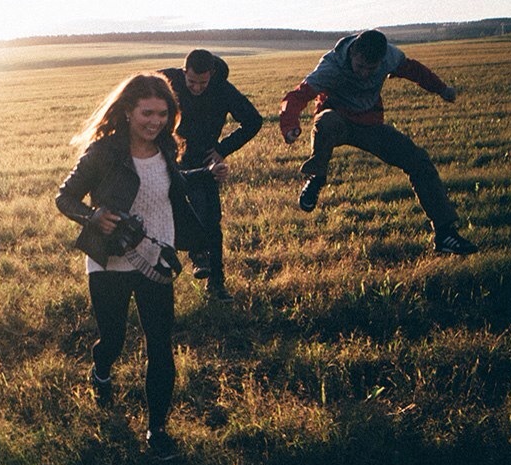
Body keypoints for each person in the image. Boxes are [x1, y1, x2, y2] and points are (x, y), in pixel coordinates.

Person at [55, 73, 206, 460]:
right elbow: (65, 197)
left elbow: (167, 182)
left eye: (163, 113)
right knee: (114, 339)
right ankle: (101, 370)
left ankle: (157, 430)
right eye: (147, 113)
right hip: (110, 261)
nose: (155, 121)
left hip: (157, 260)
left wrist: (207, 174)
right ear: (127, 111)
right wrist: (92, 216)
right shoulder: (104, 153)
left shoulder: (168, 148)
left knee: (161, 346)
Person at [280, 29, 478, 255]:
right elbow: (297, 96)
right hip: (338, 119)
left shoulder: (390, 57)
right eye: (360, 66)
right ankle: (316, 177)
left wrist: (441, 89)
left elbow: (415, 71)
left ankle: (445, 234)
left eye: (371, 69)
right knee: (326, 122)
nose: (365, 74)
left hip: (369, 123)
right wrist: (289, 127)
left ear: (381, 61)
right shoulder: (331, 66)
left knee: (419, 161)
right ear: (353, 52)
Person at [159, 49, 264, 301]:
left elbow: (253, 121)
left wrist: (221, 149)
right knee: (161, 219)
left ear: (212, 75)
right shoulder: (166, 79)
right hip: (168, 159)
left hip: (203, 161)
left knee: (210, 221)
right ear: (184, 72)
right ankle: (162, 282)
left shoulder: (224, 90)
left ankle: (216, 285)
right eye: (191, 82)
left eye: (203, 83)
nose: (196, 88)